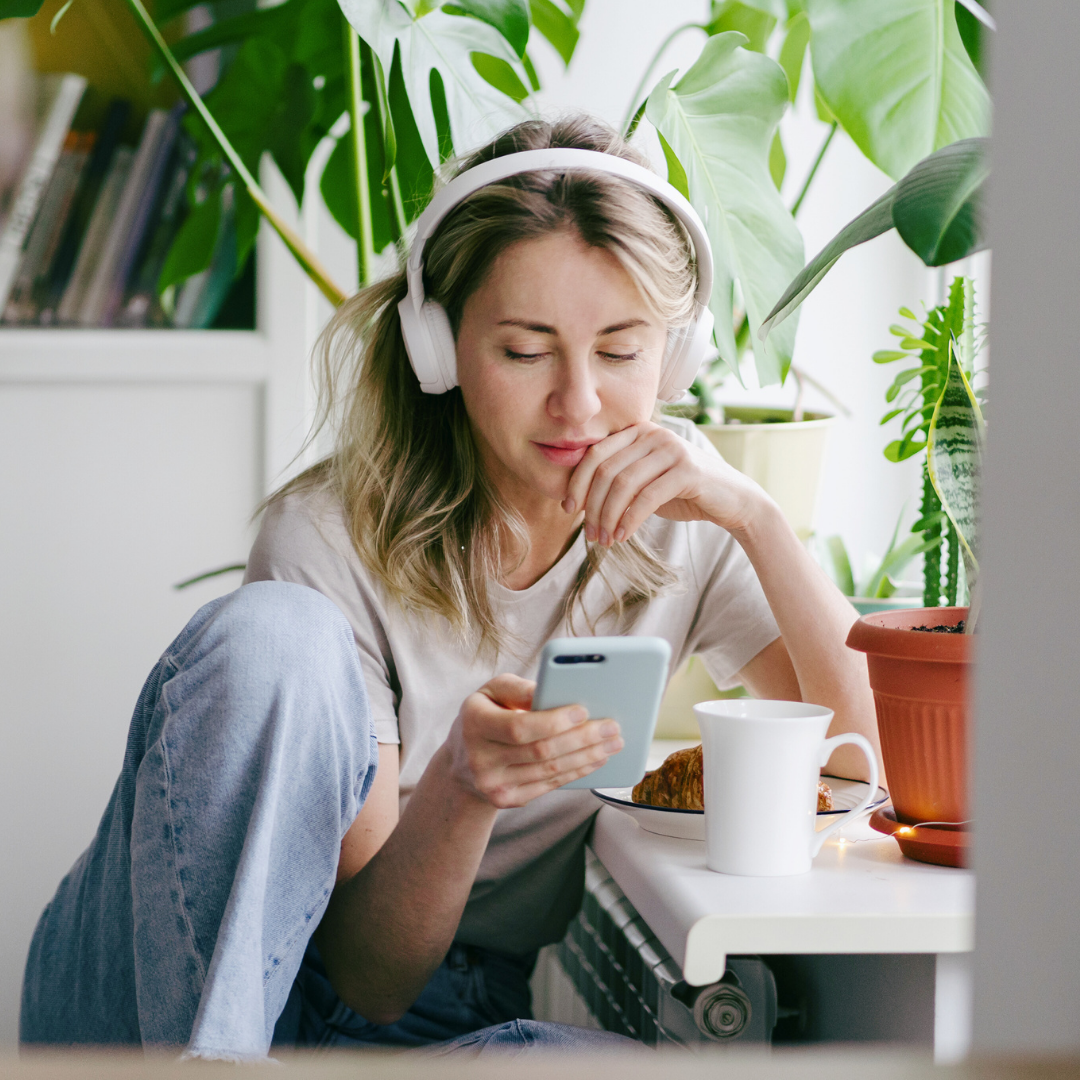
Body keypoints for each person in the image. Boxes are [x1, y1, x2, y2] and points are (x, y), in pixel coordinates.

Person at [20, 115, 879, 1060]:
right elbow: (363, 974)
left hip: (428, 1013)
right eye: (523, 350)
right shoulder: (328, 538)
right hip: (161, 994)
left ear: (675, 359)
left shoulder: (686, 516)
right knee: (275, 636)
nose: (580, 403)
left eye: (624, 351)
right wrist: (465, 790)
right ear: (440, 348)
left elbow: (865, 765)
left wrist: (755, 516)